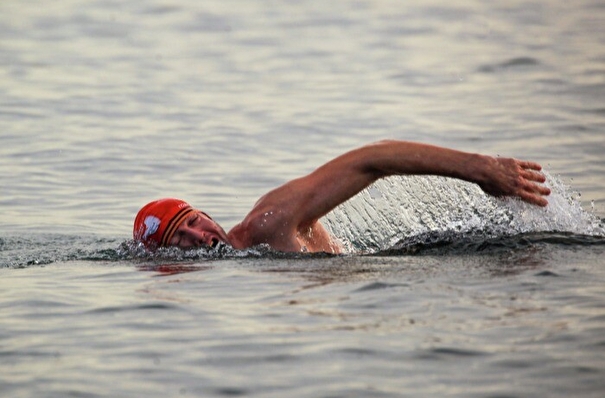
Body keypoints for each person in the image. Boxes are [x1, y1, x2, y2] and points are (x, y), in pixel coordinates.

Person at [133, 140, 551, 254]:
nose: (195, 235)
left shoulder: (268, 222)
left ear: (205, 213)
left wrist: (476, 168)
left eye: (191, 220)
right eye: (177, 239)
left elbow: (371, 160)